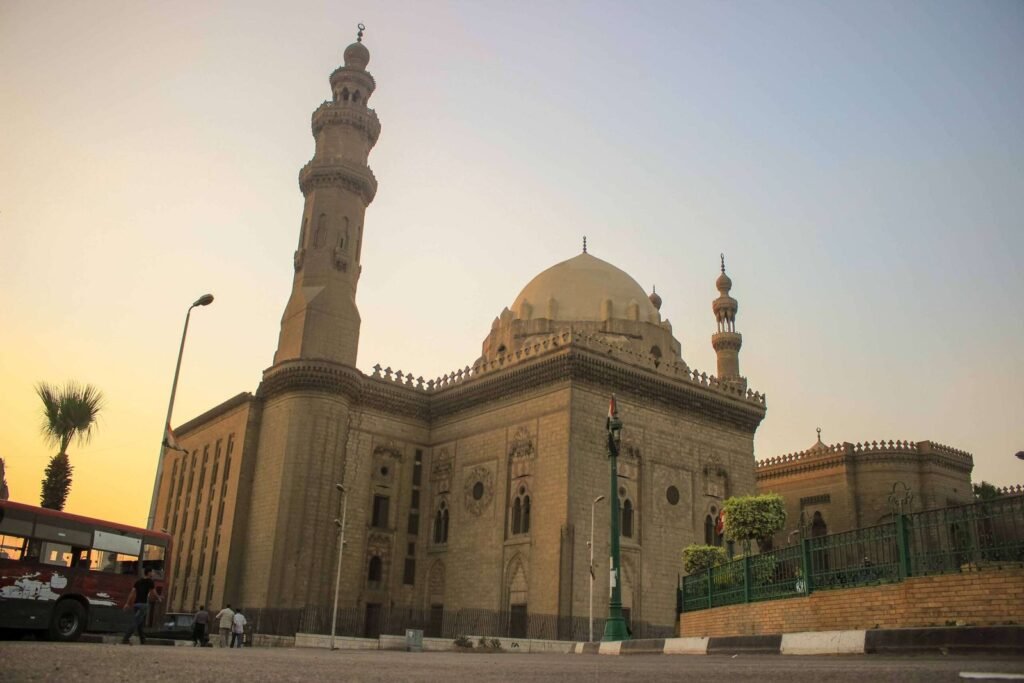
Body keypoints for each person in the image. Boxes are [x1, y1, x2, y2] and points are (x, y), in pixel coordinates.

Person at [122, 568, 161, 645]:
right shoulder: (150, 582)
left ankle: (143, 640)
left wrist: (127, 603)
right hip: (143, 605)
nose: (153, 574)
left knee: (139, 622)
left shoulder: (138, 582)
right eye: (152, 572)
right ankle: (126, 638)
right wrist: (159, 598)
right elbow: (154, 592)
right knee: (136, 621)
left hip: (136, 604)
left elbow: (132, 593)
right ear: (149, 573)